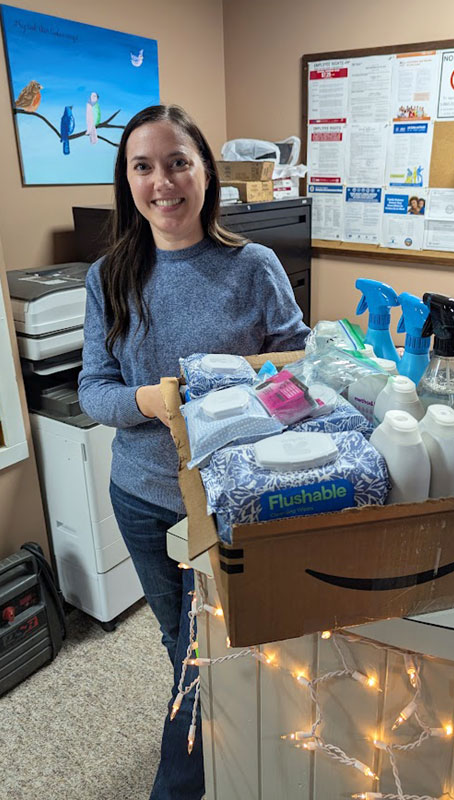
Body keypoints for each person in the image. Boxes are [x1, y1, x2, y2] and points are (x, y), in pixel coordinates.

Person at [78, 104, 309, 799]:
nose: (163, 182)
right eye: (143, 167)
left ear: (206, 171)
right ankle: (228, 743)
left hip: (228, 500)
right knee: (182, 640)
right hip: (141, 497)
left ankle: (179, 786)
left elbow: (297, 371)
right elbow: (94, 391)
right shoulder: (107, 276)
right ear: (128, 181)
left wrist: (249, 395)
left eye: (178, 161)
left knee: (203, 653)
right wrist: (150, 402)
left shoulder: (253, 266)